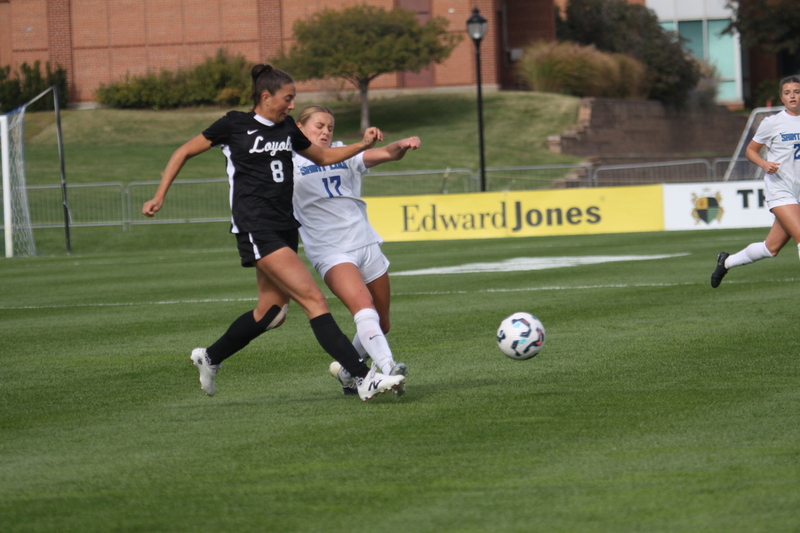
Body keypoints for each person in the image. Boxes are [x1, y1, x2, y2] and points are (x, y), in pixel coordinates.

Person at [142, 65, 405, 402]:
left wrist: (360, 144)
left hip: (284, 228)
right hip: (256, 227)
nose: (292, 105)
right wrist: (159, 195)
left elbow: (323, 156)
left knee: (272, 313)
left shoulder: (284, 130)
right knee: (314, 300)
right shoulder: (234, 124)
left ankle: (209, 357)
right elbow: (183, 151)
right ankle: (363, 376)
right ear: (266, 97)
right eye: (288, 98)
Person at [292, 105, 420, 396]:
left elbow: (385, 154)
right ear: (299, 128)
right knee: (363, 307)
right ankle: (388, 369)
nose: (325, 132)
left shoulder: (342, 151)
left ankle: (349, 372)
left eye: (330, 127)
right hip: (331, 250)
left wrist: (400, 145)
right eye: (319, 126)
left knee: (382, 321)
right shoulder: (288, 161)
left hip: (365, 242)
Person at [711, 76, 800, 287]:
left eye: (796, 91)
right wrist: (763, 164)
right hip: (781, 189)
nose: (792, 96)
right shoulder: (772, 122)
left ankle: (727, 262)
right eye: (787, 93)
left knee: (771, 248)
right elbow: (750, 150)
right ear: (782, 97)